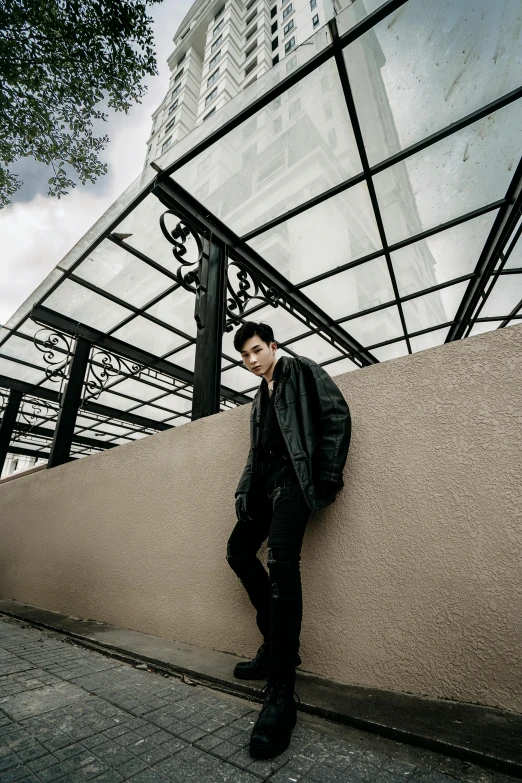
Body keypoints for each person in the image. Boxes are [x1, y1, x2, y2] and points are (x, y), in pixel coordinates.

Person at [226, 321, 351, 760]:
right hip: (265, 485)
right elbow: (253, 453)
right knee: (238, 552)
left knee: (281, 561)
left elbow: (336, 415)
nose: (252, 360)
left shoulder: (301, 371)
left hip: (296, 480)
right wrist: (244, 488)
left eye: (257, 350)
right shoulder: (259, 400)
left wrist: (330, 473)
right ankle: (273, 638)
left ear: (273, 346)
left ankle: (281, 689)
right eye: (244, 356)